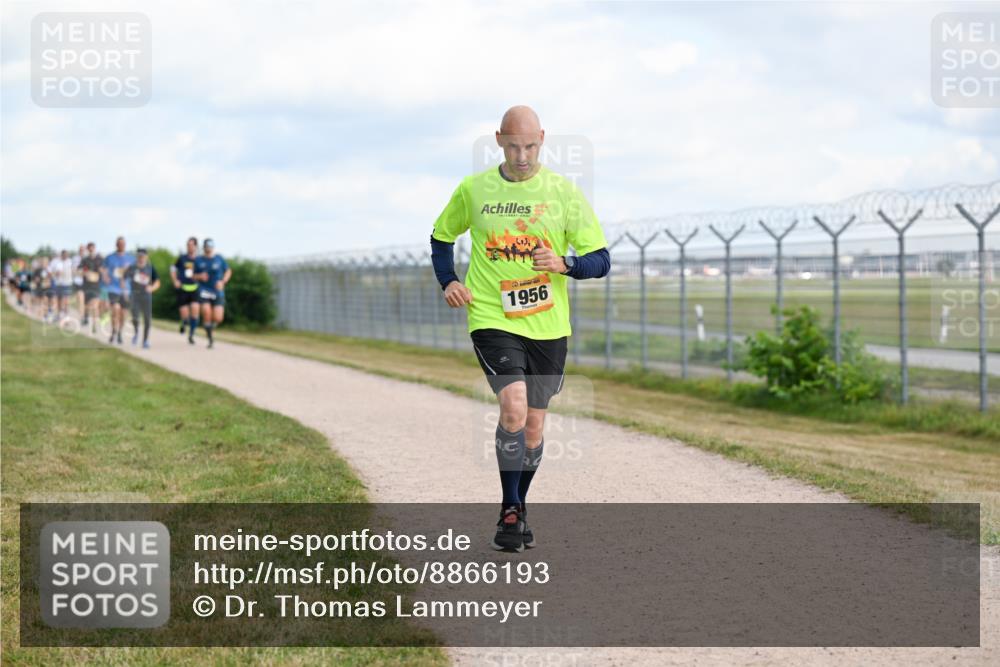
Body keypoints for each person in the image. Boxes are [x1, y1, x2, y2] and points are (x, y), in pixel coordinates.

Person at [429, 106, 611, 552]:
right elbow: (441, 237)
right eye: (513, 145)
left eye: (530, 145)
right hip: (491, 314)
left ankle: (518, 506)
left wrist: (566, 264)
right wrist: (450, 280)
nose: (522, 155)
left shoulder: (564, 194)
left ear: (542, 139)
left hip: (548, 325)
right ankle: (510, 511)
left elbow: (601, 260)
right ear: (498, 140)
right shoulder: (474, 190)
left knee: (532, 427)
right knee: (512, 406)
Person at [192, 238, 231, 349]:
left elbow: (228, 271)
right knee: (206, 312)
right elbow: (191, 275)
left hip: (217, 291)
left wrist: (223, 281)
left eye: (210, 246)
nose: (209, 248)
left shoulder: (219, 259)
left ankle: (209, 327)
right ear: (203, 247)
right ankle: (210, 339)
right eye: (207, 246)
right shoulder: (198, 260)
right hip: (204, 290)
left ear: (213, 247)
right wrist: (199, 276)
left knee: (218, 318)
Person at [124, 248, 161, 348]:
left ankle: (145, 340)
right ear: (137, 257)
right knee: (135, 317)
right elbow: (123, 279)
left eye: (143, 256)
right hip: (134, 295)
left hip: (146, 296)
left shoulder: (150, 268)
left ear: (146, 257)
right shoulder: (131, 267)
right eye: (139, 256)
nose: (141, 258)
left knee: (147, 319)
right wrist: (125, 291)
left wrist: (152, 288)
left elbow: (157, 282)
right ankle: (136, 333)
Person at [102, 237, 135, 345]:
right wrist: (105, 277)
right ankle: (113, 331)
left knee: (123, 313)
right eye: (119, 244)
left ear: (125, 245)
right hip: (113, 288)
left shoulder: (131, 259)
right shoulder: (110, 258)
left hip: (126, 290)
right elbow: (104, 270)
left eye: (123, 244)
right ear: (116, 245)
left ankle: (119, 332)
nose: (121, 245)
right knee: (115, 309)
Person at [170, 237, 200, 340]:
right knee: (185, 316)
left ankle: (191, 334)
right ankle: (183, 323)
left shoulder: (199, 260)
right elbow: (173, 268)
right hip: (183, 288)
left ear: (196, 246)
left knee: (195, 311)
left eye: (191, 245)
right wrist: (175, 280)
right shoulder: (182, 258)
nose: (189, 247)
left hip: (195, 289)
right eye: (188, 245)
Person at [79, 242, 103, 331]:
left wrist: (100, 272)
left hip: (96, 286)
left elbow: (104, 270)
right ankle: (86, 316)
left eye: (92, 248)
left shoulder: (100, 259)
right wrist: (85, 273)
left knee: (95, 305)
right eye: (89, 248)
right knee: (87, 305)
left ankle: (94, 325)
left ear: (94, 248)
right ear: (87, 249)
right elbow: (79, 270)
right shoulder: (85, 260)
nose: (91, 249)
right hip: (86, 285)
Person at [49, 249, 75, 320]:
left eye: (66, 255)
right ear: (62, 255)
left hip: (67, 283)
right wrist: (56, 274)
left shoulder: (70, 262)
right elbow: (53, 272)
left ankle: (66, 316)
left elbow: (73, 271)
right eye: (64, 255)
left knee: (66, 300)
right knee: (59, 300)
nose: (65, 256)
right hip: (58, 283)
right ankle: (59, 314)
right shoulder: (58, 262)